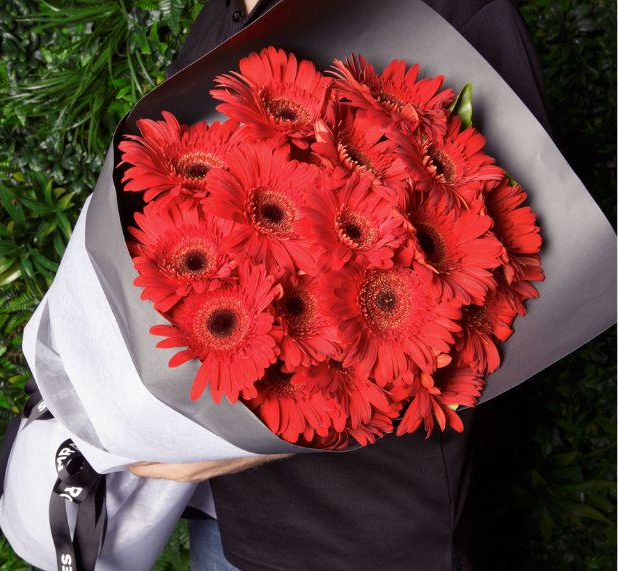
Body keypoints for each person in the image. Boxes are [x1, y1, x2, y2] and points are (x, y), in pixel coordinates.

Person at [128, 1, 552, 569]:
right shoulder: (221, 14)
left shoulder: (458, 10)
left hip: (357, 532)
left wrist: (244, 443)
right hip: (225, 521)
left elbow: (517, 288)